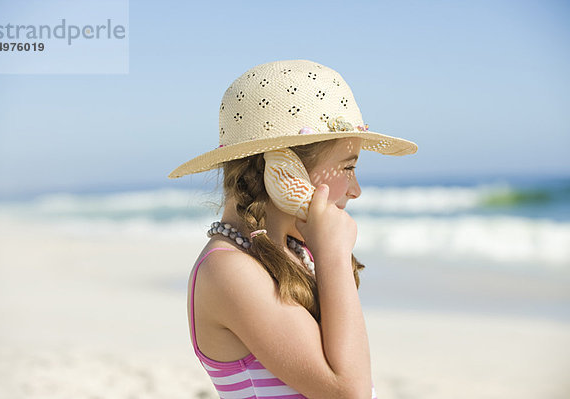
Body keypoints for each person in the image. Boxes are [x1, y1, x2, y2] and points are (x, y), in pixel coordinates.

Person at [168, 60, 417, 398]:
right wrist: (333, 255)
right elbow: (349, 392)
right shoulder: (229, 269)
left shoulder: (289, 252)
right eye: (348, 166)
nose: (356, 189)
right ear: (285, 170)